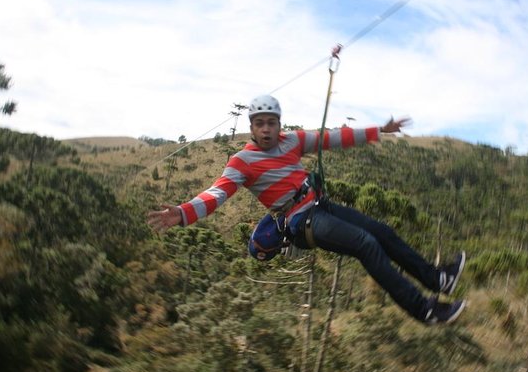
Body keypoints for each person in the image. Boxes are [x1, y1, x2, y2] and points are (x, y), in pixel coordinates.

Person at [148, 94, 466, 325]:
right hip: (300, 221)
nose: (267, 129)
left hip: (319, 205)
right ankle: (424, 309)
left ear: (279, 124)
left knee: (382, 232)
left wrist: (378, 131)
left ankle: (438, 279)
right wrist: (184, 211)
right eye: (260, 124)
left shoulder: (292, 141)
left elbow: (332, 138)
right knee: (366, 244)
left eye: (271, 123)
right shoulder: (241, 162)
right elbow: (217, 193)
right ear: (252, 127)